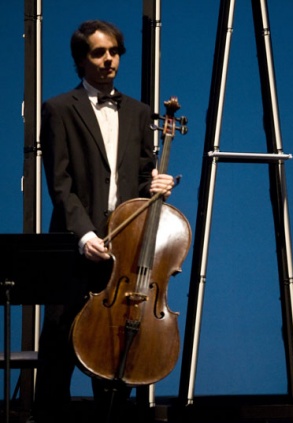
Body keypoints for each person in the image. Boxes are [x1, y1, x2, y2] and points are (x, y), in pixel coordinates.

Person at [33, 20, 175, 423]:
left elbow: (146, 176)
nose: (109, 59)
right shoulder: (59, 108)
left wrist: (158, 182)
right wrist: (85, 236)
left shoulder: (139, 112)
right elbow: (60, 185)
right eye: (99, 52)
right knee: (60, 342)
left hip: (125, 249)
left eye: (113, 51)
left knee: (117, 344)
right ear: (82, 59)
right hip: (77, 246)